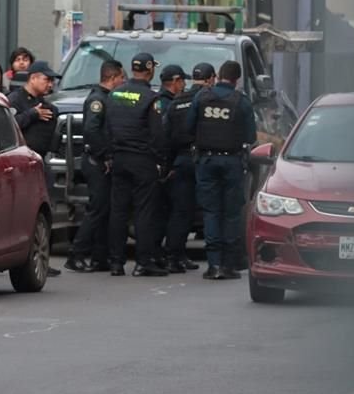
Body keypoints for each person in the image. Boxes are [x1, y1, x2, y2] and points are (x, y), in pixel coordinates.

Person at [187, 60, 257, 280]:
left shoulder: (201, 97)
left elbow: (189, 127)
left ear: (217, 75)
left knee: (211, 212)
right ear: (236, 79)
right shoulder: (242, 102)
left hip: (206, 162)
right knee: (231, 213)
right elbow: (250, 137)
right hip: (232, 163)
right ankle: (228, 264)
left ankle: (214, 264)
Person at [105, 53, 169, 277]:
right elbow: (158, 135)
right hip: (142, 161)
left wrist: (110, 154)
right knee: (144, 212)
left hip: (119, 159)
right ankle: (143, 262)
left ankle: (115, 262)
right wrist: (161, 161)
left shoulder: (114, 94)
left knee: (118, 211)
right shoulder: (152, 98)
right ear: (150, 70)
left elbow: (107, 127)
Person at [64, 59, 125, 273]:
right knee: (96, 210)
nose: (123, 82)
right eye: (121, 78)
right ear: (112, 77)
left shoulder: (107, 98)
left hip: (101, 161)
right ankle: (76, 253)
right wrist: (105, 156)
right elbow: (91, 131)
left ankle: (100, 257)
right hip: (96, 162)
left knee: (105, 210)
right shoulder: (98, 100)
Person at [8, 59, 61, 276]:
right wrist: (33, 114)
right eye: (46, 80)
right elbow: (10, 125)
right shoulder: (15, 100)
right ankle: (20, 258)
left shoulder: (47, 104)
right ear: (33, 78)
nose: (50, 85)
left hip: (40, 162)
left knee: (44, 211)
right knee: (24, 211)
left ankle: (42, 258)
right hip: (21, 165)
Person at [154, 64, 200, 273]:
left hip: (170, 164)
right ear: (174, 81)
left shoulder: (171, 102)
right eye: (182, 80)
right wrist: (167, 166)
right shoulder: (165, 104)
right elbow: (164, 137)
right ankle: (171, 254)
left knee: (178, 212)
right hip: (170, 165)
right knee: (177, 212)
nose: (184, 85)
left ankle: (177, 253)